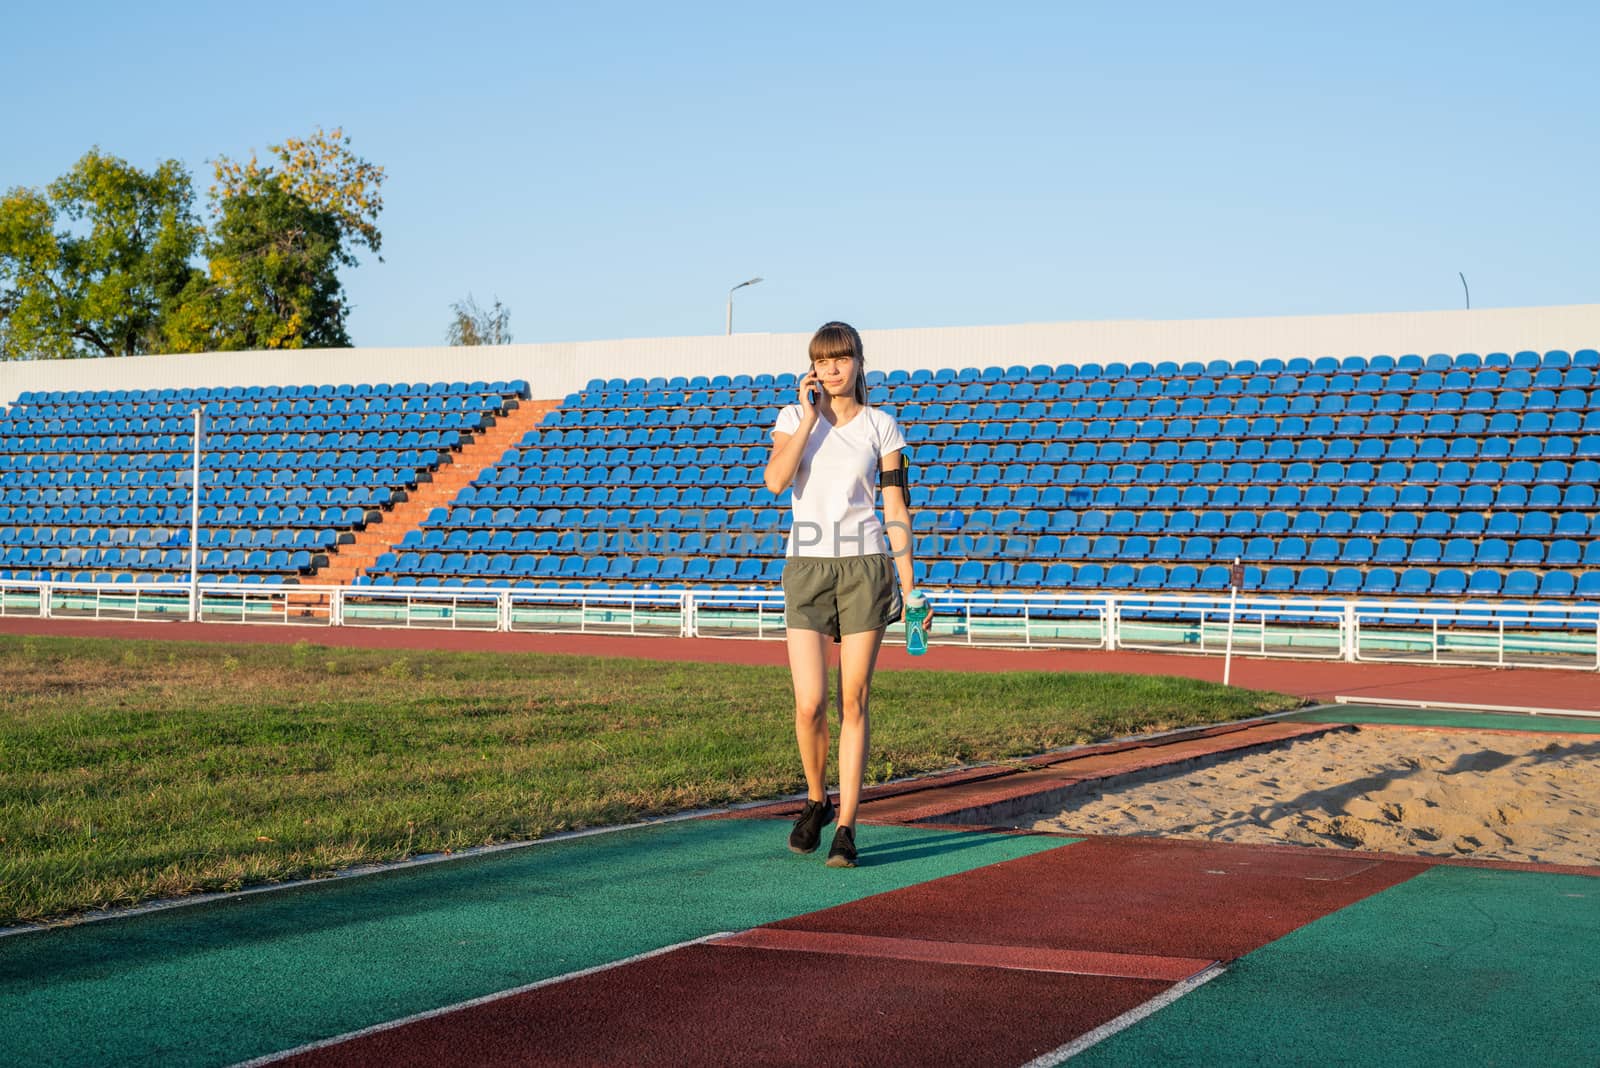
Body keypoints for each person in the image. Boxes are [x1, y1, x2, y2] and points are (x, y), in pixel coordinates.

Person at [763, 321, 928, 868]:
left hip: (865, 569)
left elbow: (896, 509)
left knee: (852, 700)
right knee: (810, 704)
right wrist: (809, 418)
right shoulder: (792, 419)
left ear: (859, 361)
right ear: (812, 368)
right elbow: (775, 482)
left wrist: (910, 584)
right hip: (806, 568)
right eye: (823, 360)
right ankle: (817, 800)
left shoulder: (883, 426)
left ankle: (849, 826)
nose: (833, 369)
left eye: (842, 358)